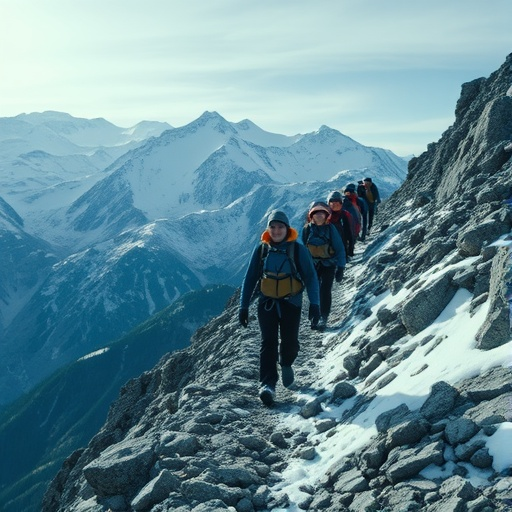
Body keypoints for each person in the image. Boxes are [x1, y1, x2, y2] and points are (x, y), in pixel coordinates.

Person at [239, 210, 320, 406]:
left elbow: (310, 277)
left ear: (287, 228)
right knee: (268, 342)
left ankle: (286, 363)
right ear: (268, 229)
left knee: (290, 341)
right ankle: (267, 385)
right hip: (266, 303)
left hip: (291, 303)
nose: (276, 231)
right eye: (272, 227)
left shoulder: (298, 249)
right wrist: (243, 306)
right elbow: (250, 278)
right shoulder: (261, 250)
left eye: (280, 227)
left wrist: (315, 304)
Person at [302, 202, 346, 331]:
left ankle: (323, 317)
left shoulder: (331, 229)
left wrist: (341, 267)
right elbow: (302, 249)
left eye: (321, 214)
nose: (319, 216)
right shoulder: (307, 230)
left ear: (326, 216)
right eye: (316, 214)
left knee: (325, 290)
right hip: (312, 265)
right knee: (313, 290)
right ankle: (315, 316)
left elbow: (339, 249)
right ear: (312, 217)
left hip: (329, 264)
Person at [327, 190, 355, 258]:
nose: (334, 206)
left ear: (341, 203)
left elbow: (350, 232)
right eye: (332, 203)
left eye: (337, 203)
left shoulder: (345, 215)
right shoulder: (325, 215)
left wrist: (350, 249)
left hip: (342, 246)